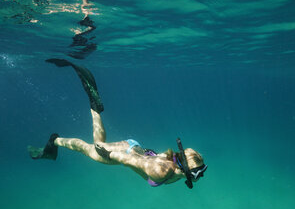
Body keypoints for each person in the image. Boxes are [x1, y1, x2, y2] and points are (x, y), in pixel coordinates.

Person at [28, 59, 207, 189]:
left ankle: (94, 109)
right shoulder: (162, 171)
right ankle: (55, 141)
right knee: (88, 148)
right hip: (125, 153)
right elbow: (131, 161)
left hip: (133, 146)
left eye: (201, 171)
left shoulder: (175, 167)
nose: (201, 175)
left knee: (98, 139)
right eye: (199, 172)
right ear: (188, 170)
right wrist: (110, 154)